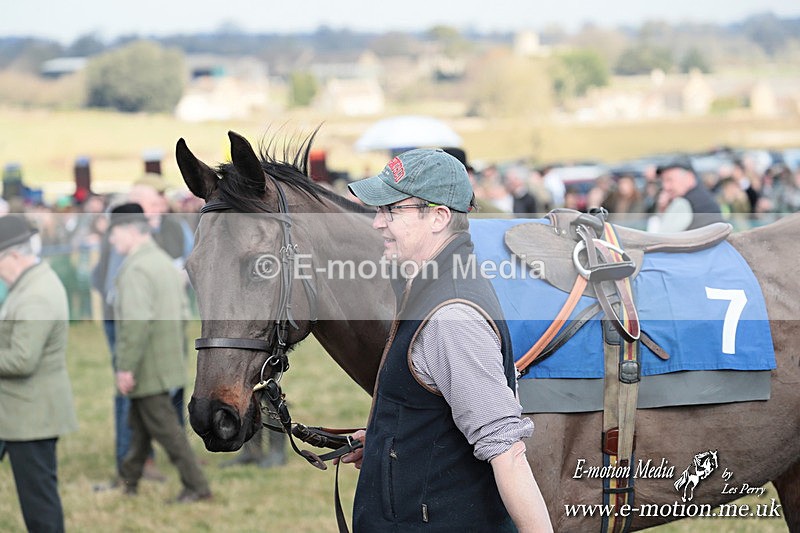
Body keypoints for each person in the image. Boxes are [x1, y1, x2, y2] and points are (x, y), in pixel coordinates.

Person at [343, 149, 552, 532]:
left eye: (391, 210)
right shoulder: (429, 283)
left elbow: (507, 451)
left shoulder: (450, 317)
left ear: (438, 217)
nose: (377, 223)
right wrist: (385, 442)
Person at [108, 203, 211, 503]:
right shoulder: (163, 262)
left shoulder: (135, 269)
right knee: (139, 428)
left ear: (128, 230)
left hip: (146, 366)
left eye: (113, 234)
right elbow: (181, 313)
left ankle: (197, 486)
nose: (111, 241)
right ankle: (128, 481)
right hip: (166, 361)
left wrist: (125, 368)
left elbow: (135, 325)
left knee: (168, 433)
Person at [0, 215, 78, 532]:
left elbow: (21, 360)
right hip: (17, 413)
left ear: (14, 256)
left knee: (39, 507)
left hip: (31, 419)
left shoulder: (36, 294)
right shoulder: (29, 285)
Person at [654, 156, 723, 232]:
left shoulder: (682, 203)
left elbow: (663, 237)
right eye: (663, 181)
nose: (665, 187)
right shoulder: (705, 197)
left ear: (689, 177)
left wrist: (664, 211)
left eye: (669, 180)